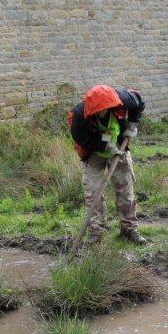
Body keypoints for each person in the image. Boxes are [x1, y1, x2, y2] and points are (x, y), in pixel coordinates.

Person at [68, 85, 147, 246]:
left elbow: (139, 102)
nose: (104, 112)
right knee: (93, 192)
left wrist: (132, 124)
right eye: (100, 111)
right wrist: (106, 146)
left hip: (119, 146)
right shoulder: (78, 116)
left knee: (125, 186)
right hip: (92, 151)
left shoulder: (124, 98)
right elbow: (82, 139)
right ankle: (97, 232)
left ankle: (129, 229)